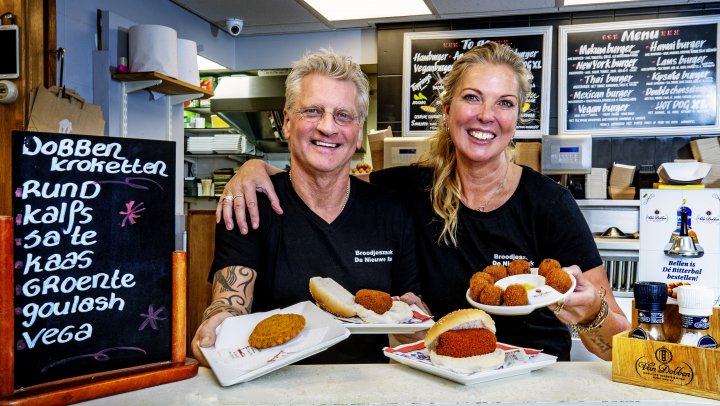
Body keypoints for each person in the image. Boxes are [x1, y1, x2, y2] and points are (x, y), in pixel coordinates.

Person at [217, 42, 629, 361]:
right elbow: (327, 166)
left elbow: (616, 347)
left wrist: (592, 313)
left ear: (516, 118)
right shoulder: (408, 190)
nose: (486, 115)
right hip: (441, 376)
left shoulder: (549, 205)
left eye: (504, 103)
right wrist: (254, 168)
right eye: (472, 98)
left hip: (532, 380)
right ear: (447, 110)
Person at [192, 50, 422, 366]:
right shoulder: (251, 205)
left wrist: (417, 320)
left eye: (344, 115)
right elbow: (230, 303)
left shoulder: (391, 211)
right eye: (313, 111)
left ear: (357, 134)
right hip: (270, 384)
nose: (328, 127)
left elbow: (409, 302)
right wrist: (219, 322)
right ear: (287, 122)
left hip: (369, 386)